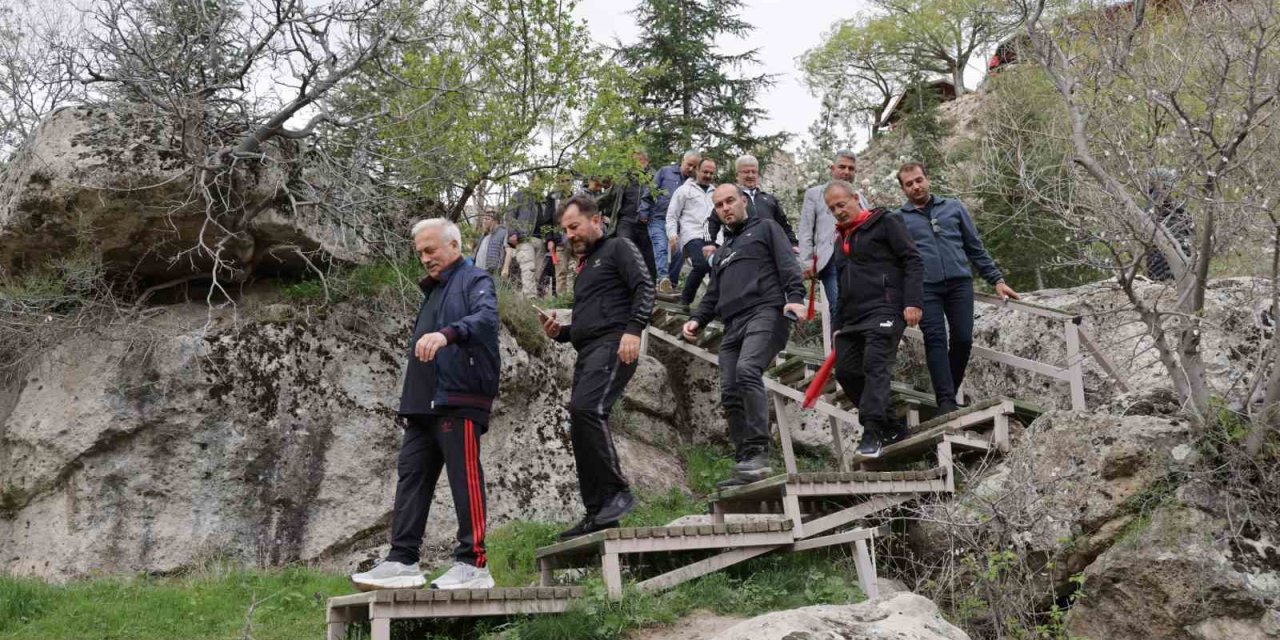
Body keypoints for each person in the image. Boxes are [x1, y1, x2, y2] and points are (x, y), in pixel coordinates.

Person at [351, 218, 500, 591]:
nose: (424, 258)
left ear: (454, 245)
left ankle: (474, 564)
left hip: (460, 398)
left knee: (464, 479)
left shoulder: (475, 280)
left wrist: (447, 334)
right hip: (422, 404)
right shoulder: (434, 290)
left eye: (430, 250)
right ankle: (403, 560)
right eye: (420, 252)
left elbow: (485, 320)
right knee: (411, 478)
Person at [540, 194, 654, 539]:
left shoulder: (619, 247)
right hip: (588, 352)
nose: (570, 234)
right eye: (565, 230)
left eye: (574, 226)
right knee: (579, 423)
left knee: (588, 409)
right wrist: (561, 332)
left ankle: (618, 493)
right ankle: (598, 513)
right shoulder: (586, 268)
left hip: (614, 345)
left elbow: (644, 287)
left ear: (596, 221)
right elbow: (590, 320)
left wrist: (634, 330)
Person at [682, 184, 807, 487]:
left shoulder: (766, 228)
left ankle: (759, 454)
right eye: (719, 205)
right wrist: (697, 319)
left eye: (730, 201)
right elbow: (712, 294)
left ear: (743, 202)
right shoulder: (723, 251)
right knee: (729, 390)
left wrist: (796, 297)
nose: (725, 208)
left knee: (747, 370)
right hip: (733, 324)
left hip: (766, 312)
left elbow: (788, 264)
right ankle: (745, 462)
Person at [896, 162, 1019, 415]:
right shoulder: (899, 218)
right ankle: (946, 402)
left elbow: (975, 247)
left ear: (927, 179)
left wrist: (996, 280)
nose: (916, 186)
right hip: (925, 288)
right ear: (903, 189)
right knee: (935, 340)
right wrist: (906, 298)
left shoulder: (953, 207)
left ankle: (948, 393)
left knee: (962, 338)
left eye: (919, 180)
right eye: (909, 184)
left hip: (959, 284)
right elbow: (899, 262)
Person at [824, 181, 923, 458]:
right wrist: (836, 327)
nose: (838, 211)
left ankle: (872, 431)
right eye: (832, 209)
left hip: (886, 309)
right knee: (846, 371)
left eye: (841, 204)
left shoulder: (886, 222)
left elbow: (912, 259)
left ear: (856, 198)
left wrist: (913, 301)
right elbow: (841, 288)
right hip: (852, 318)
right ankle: (892, 426)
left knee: (874, 366)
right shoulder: (840, 240)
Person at [799, 150, 862, 323]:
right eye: (842, 167)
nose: (846, 172)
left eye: (851, 168)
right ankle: (840, 350)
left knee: (859, 307)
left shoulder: (860, 198)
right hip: (831, 259)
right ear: (832, 168)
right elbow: (805, 229)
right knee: (839, 306)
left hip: (859, 261)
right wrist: (807, 261)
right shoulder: (814, 194)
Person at [707, 155, 799, 251]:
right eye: (746, 172)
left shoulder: (769, 199)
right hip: (739, 250)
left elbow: (784, 224)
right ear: (737, 175)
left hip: (770, 249)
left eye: (753, 172)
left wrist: (793, 243)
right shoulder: (730, 198)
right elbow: (711, 221)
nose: (750, 175)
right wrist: (709, 243)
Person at [597, 151, 659, 282]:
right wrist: (585, 207)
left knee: (648, 258)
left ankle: (650, 290)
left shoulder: (655, 177)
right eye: (634, 161)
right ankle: (621, 286)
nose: (637, 164)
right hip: (626, 221)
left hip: (646, 224)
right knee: (624, 249)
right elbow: (607, 197)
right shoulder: (624, 178)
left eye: (640, 160)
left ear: (646, 161)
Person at [665, 157, 717, 306]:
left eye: (711, 173)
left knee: (719, 270)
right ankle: (685, 301)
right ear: (697, 171)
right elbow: (672, 215)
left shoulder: (717, 193)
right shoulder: (684, 190)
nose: (708, 175)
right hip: (693, 235)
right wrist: (672, 234)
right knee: (701, 265)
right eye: (705, 172)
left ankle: (711, 306)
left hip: (714, 238)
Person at [653, 151, 702, 292]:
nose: (691, 169)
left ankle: (670, 285)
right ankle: (660, 279)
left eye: (694, 166)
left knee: (680, 252)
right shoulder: (665, 172)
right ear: (683, 160)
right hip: (660, 218)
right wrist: (645, 212)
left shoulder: (693, 184)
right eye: (689, 165)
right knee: (661, 249)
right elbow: (651, 191)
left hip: (680, 224)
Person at [507, 189, 552, 298]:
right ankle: (530, 299)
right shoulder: (520, 194)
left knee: (538, 273)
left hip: (541, 241)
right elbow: (510, 214)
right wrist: (512, 233)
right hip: (525, 238)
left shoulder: (544, 200)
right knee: (528, 268)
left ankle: (527, 300)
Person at [473, 209, 508, 276]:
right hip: (478, 271)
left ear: (495, 221)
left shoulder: (503, 232)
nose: (484, 221)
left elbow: (509, 251)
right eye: (484, 219)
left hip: (492, 272)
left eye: (487, 219)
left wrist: (505, 268)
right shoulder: (484, 235)